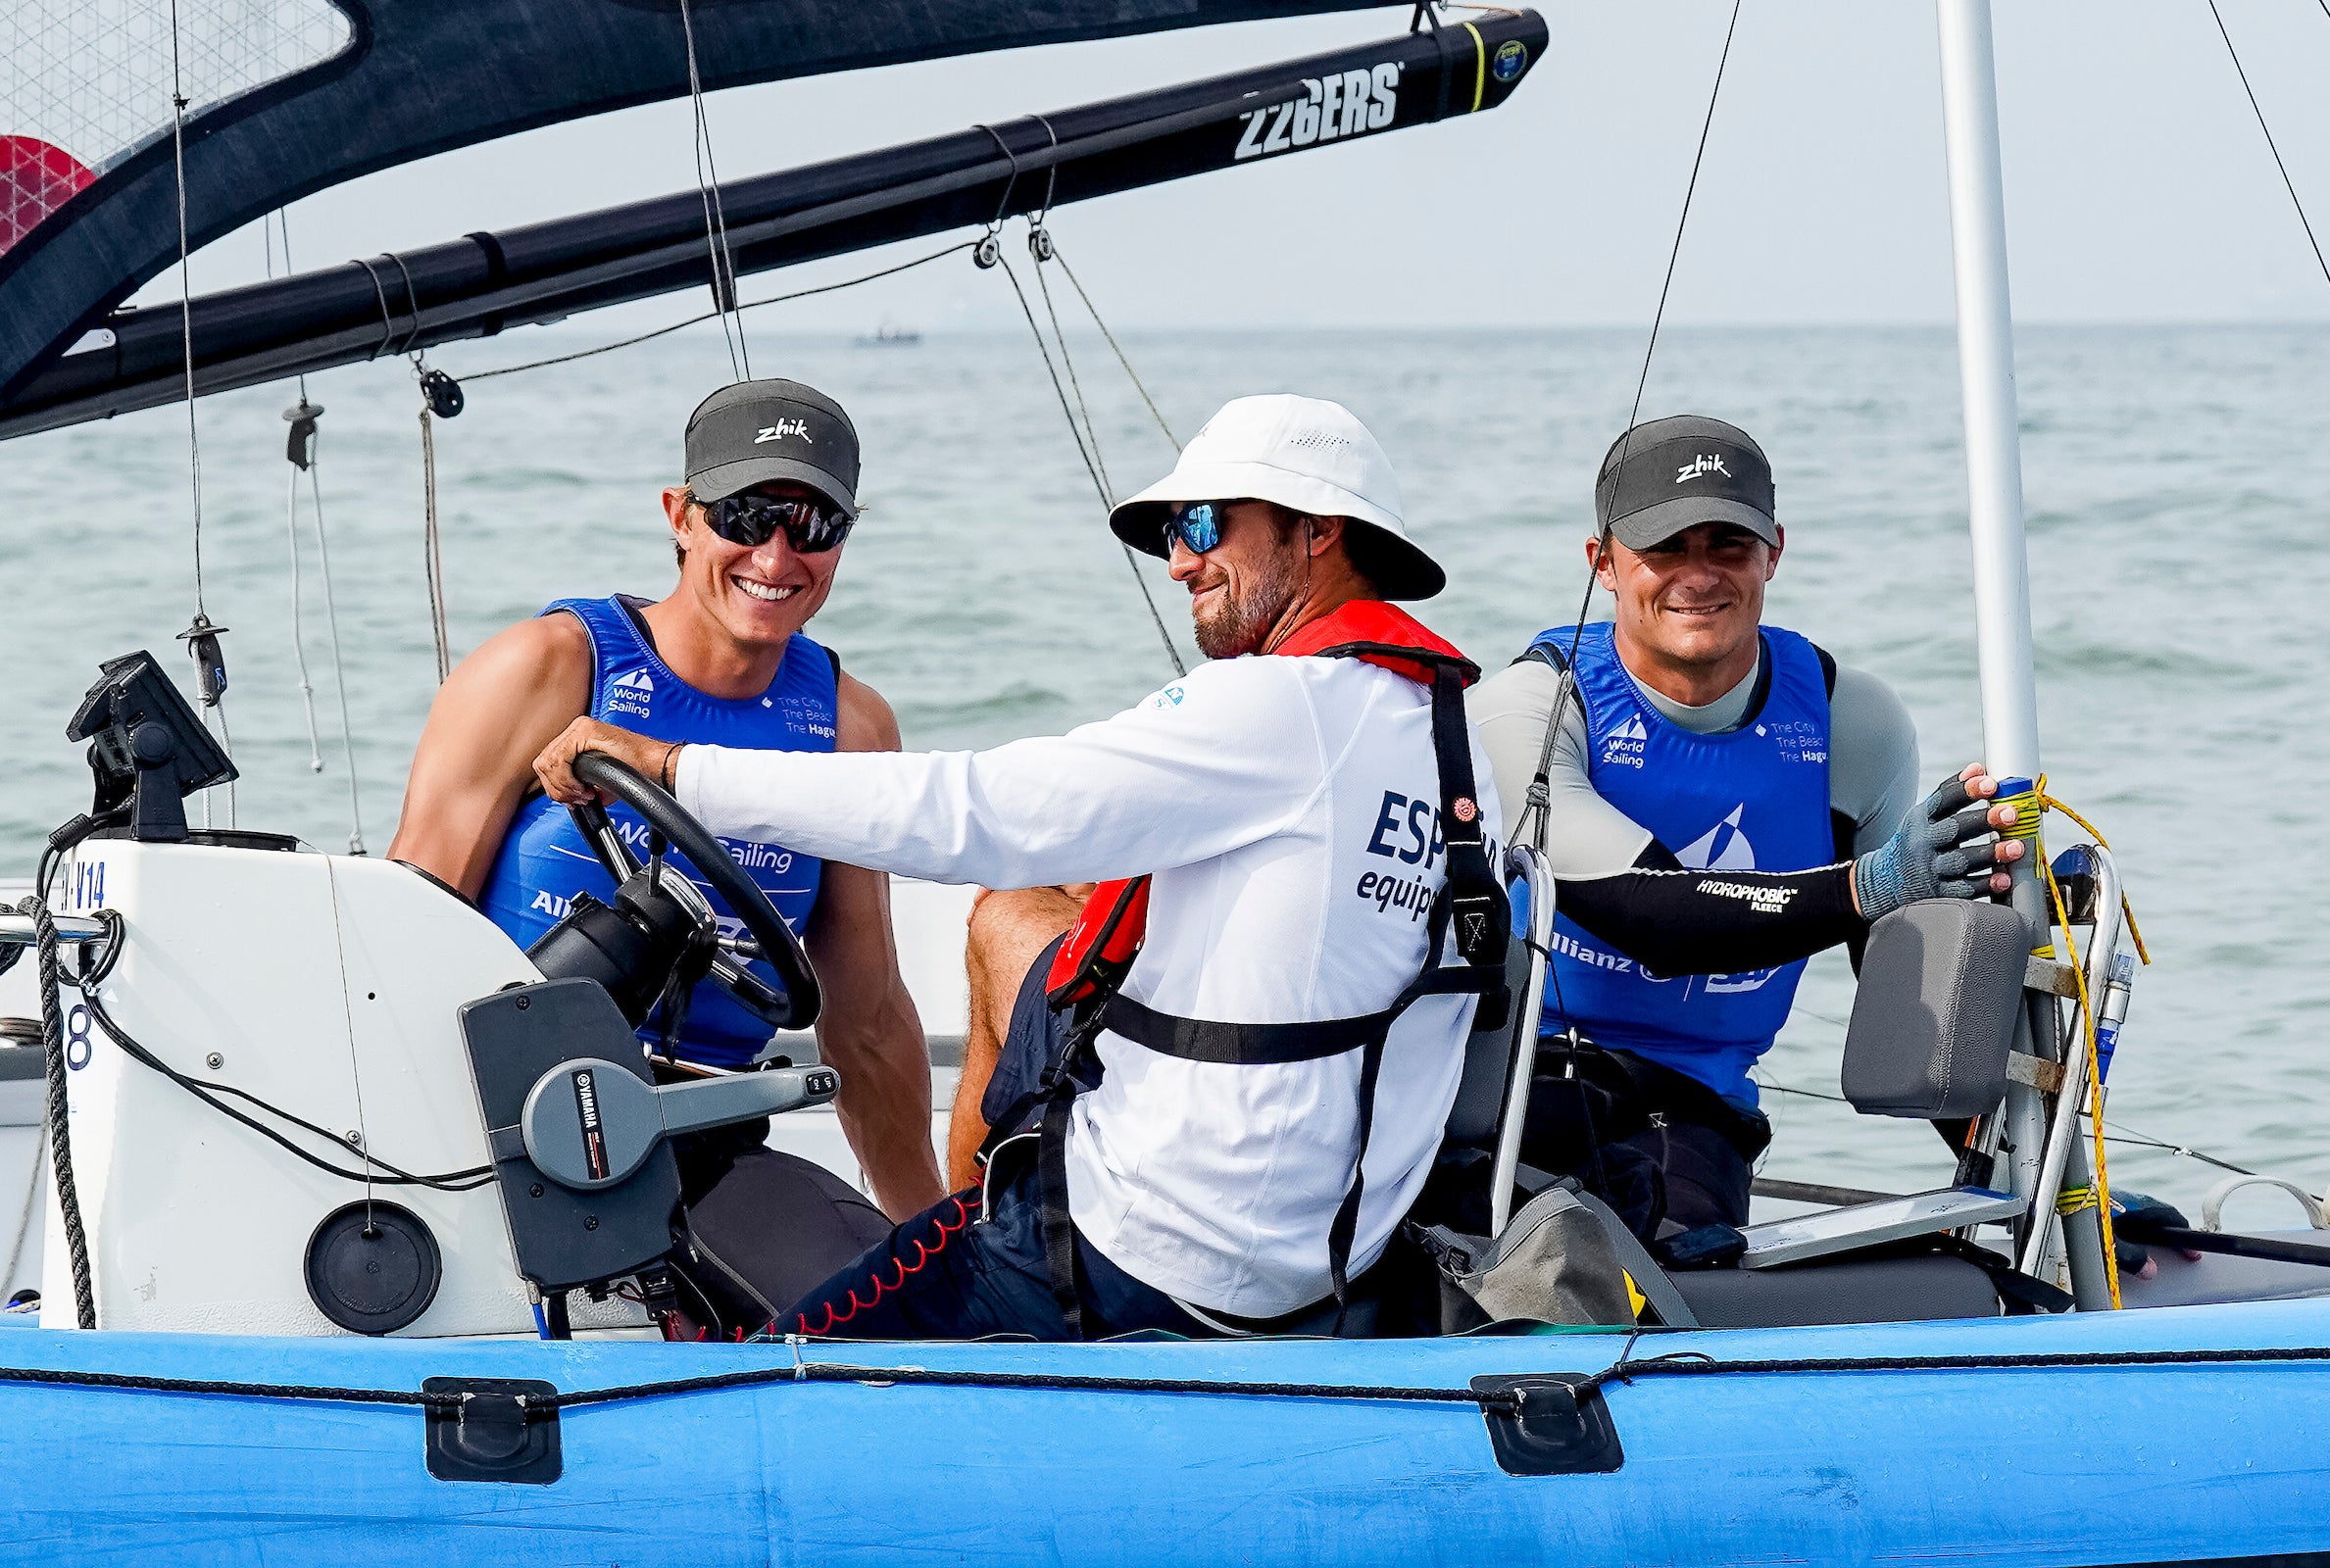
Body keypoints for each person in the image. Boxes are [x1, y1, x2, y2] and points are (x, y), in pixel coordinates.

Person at [531, 394, 1508, 1340]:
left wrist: (672, 769)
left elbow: (979, 810)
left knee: (790, 1364)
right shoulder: (1447, 730)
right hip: (1323, 1255)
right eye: (1169, 531)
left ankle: (996, 1249)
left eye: (1204, 523)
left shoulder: (1277, 706)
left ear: (1316, 532)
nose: (1179, 561)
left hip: (1151, 1255)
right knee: (1018, 921)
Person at [386, 378, 945, 1327]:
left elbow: (871, 1020)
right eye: (747, 515)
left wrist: (934, 1234)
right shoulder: (548, 666)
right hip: (499, 1117)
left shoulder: (850, 723)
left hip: (702, 1131)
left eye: (814, 525)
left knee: (899, 1313)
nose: (777, 554)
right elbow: (403, 932)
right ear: (680, 516)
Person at [1467, 414, 2024, 1242]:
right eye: (1665, 548)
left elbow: (1904, 992)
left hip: (1693, 1108)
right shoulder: (1533, 709)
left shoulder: (1851, 721)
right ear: (1604, 565)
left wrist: (2039, 1182)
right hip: (1515, 1082)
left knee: (1687, 1274)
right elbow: (1650, 915)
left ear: (1773, 552)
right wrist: (1873, 884)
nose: (1698, 576)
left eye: (1727, 545)